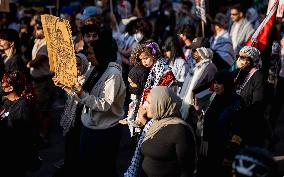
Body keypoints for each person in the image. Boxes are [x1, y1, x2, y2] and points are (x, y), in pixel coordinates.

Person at [56, 34, 126, 177]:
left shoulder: (113, 74)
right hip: (88, 126)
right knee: (87, 167)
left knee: (102, 169)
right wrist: (66, 87)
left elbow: (103, 104)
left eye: (90, 53)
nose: (87, 57)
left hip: (104, 131)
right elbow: (83, 95)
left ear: (101, 53)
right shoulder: (95, 69)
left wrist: (81, 93)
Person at [125, 86, 196, 177]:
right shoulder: (153, 124)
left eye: (149, 102)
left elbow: (187, 170)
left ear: (161, 104)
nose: (144, 106)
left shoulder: (180, 130)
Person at [199, 71, 245, 177]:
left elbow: (239, 129)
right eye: (215, 83)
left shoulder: (236, 101)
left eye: (219, 83)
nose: (215, 86)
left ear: (227, 84)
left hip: (224, 149)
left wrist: (230, 154)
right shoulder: (216, 97)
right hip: (209, 147)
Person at [129, 41, 176, 127]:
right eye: (142, 59)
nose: (144, 62)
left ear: (153, 55)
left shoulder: (163, 70)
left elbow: (162, 89)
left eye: (146, 58)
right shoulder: (153, 69)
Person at [0, 71, 38, 176]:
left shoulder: (22, 107)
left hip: (15, 155)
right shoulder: (4, 101)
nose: (1, 84)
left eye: (3, 82)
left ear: (11, 88)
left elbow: (26, 135)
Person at [233, 46, 267, 146]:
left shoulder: (258, 76)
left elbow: (257, 105)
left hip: (248, 125)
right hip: (235, 121)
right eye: (238, 56)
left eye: (243, 58)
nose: (239, 60)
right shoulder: (238, 73)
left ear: (252, 60)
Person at [179, 37, 217, 120]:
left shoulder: (210, 67)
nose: (192, 52)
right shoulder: (194, 66)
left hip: (198, 115)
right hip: (188, 111)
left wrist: (198, 106)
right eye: (192, 50)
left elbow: (212, 92)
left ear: (203, 51)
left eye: (195, 50)